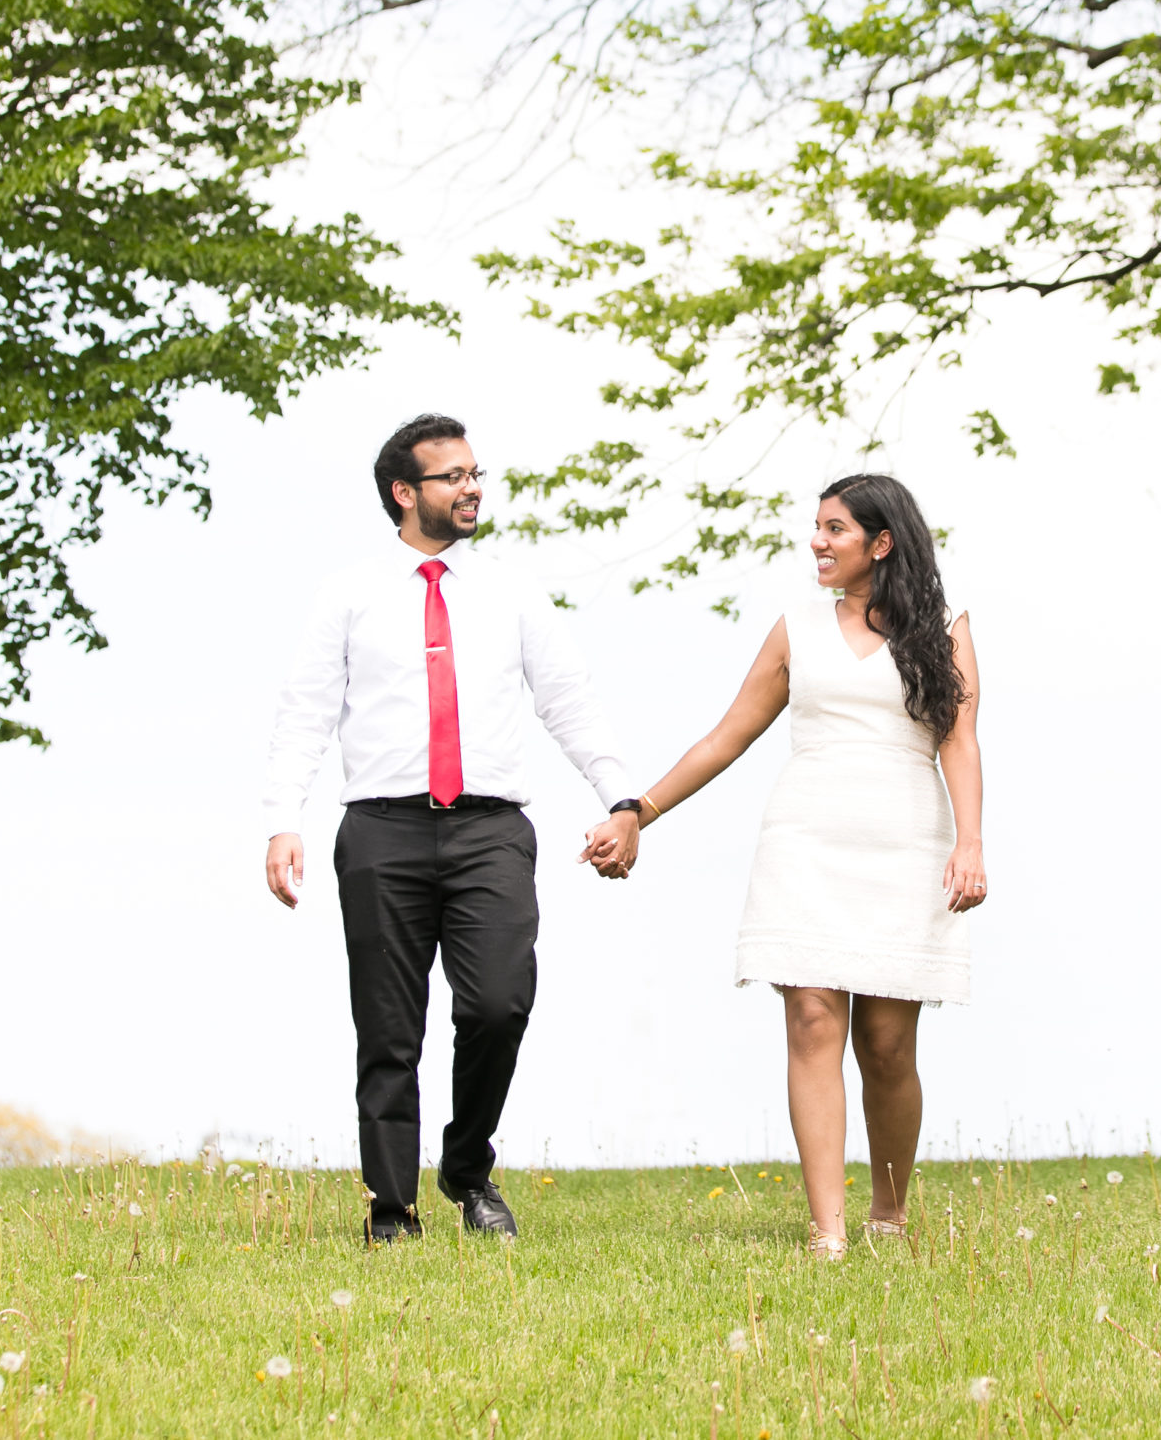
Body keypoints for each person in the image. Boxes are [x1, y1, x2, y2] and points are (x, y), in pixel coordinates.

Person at [582, 472, 986, 1257]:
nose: (817, 541)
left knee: (887, 1045)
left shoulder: (944, 628)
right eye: (817, 526)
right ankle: (827, 1230)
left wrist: (970, 841)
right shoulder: (796, 628)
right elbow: (725, 736)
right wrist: (637, 809)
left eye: (834, 528)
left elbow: (960, 739)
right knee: (810, 1019)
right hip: (805, 839)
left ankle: (889, 1214)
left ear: (882, 541)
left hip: (906, 844)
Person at [264, 414, 644, 1243]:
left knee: (500, 1004)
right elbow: (304, 715)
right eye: (452, 476)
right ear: (405, 493)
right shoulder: (349, 595)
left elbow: (568, 700)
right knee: (389, 1027)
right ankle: (391, 1208)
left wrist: (623, 799)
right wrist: (280, 820)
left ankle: (467, 1169)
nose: (472, 487)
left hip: (490, 833)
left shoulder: (513, 593)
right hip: (381, 834)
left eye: (476, 473)